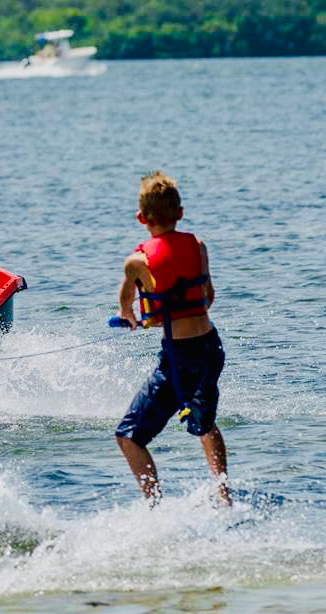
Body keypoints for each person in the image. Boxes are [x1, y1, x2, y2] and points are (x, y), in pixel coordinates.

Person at [115, 171, 231, 507]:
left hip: (180, 358)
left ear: (141, 218)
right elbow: (207, 298)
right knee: (205, 422)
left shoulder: (137, 261)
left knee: (128, 437)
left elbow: (126, 304)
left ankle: (155, 508)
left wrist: (134, 317)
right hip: (211, 348)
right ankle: (224, 494)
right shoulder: (198, 245)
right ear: (180, 213)